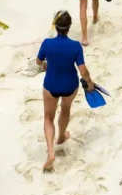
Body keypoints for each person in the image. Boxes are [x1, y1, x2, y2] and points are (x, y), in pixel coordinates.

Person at [36, 10, 95, 172]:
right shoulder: (75, 46)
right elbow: (82, 70)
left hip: (51, 84)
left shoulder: (47, 43)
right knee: (66, 109)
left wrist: (45, 64)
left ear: (55, 26)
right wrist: (90, 83)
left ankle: (50, 153)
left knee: (48, 117)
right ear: (69, 27)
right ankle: (61, 136)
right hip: (70, 85)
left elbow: (38, 61)